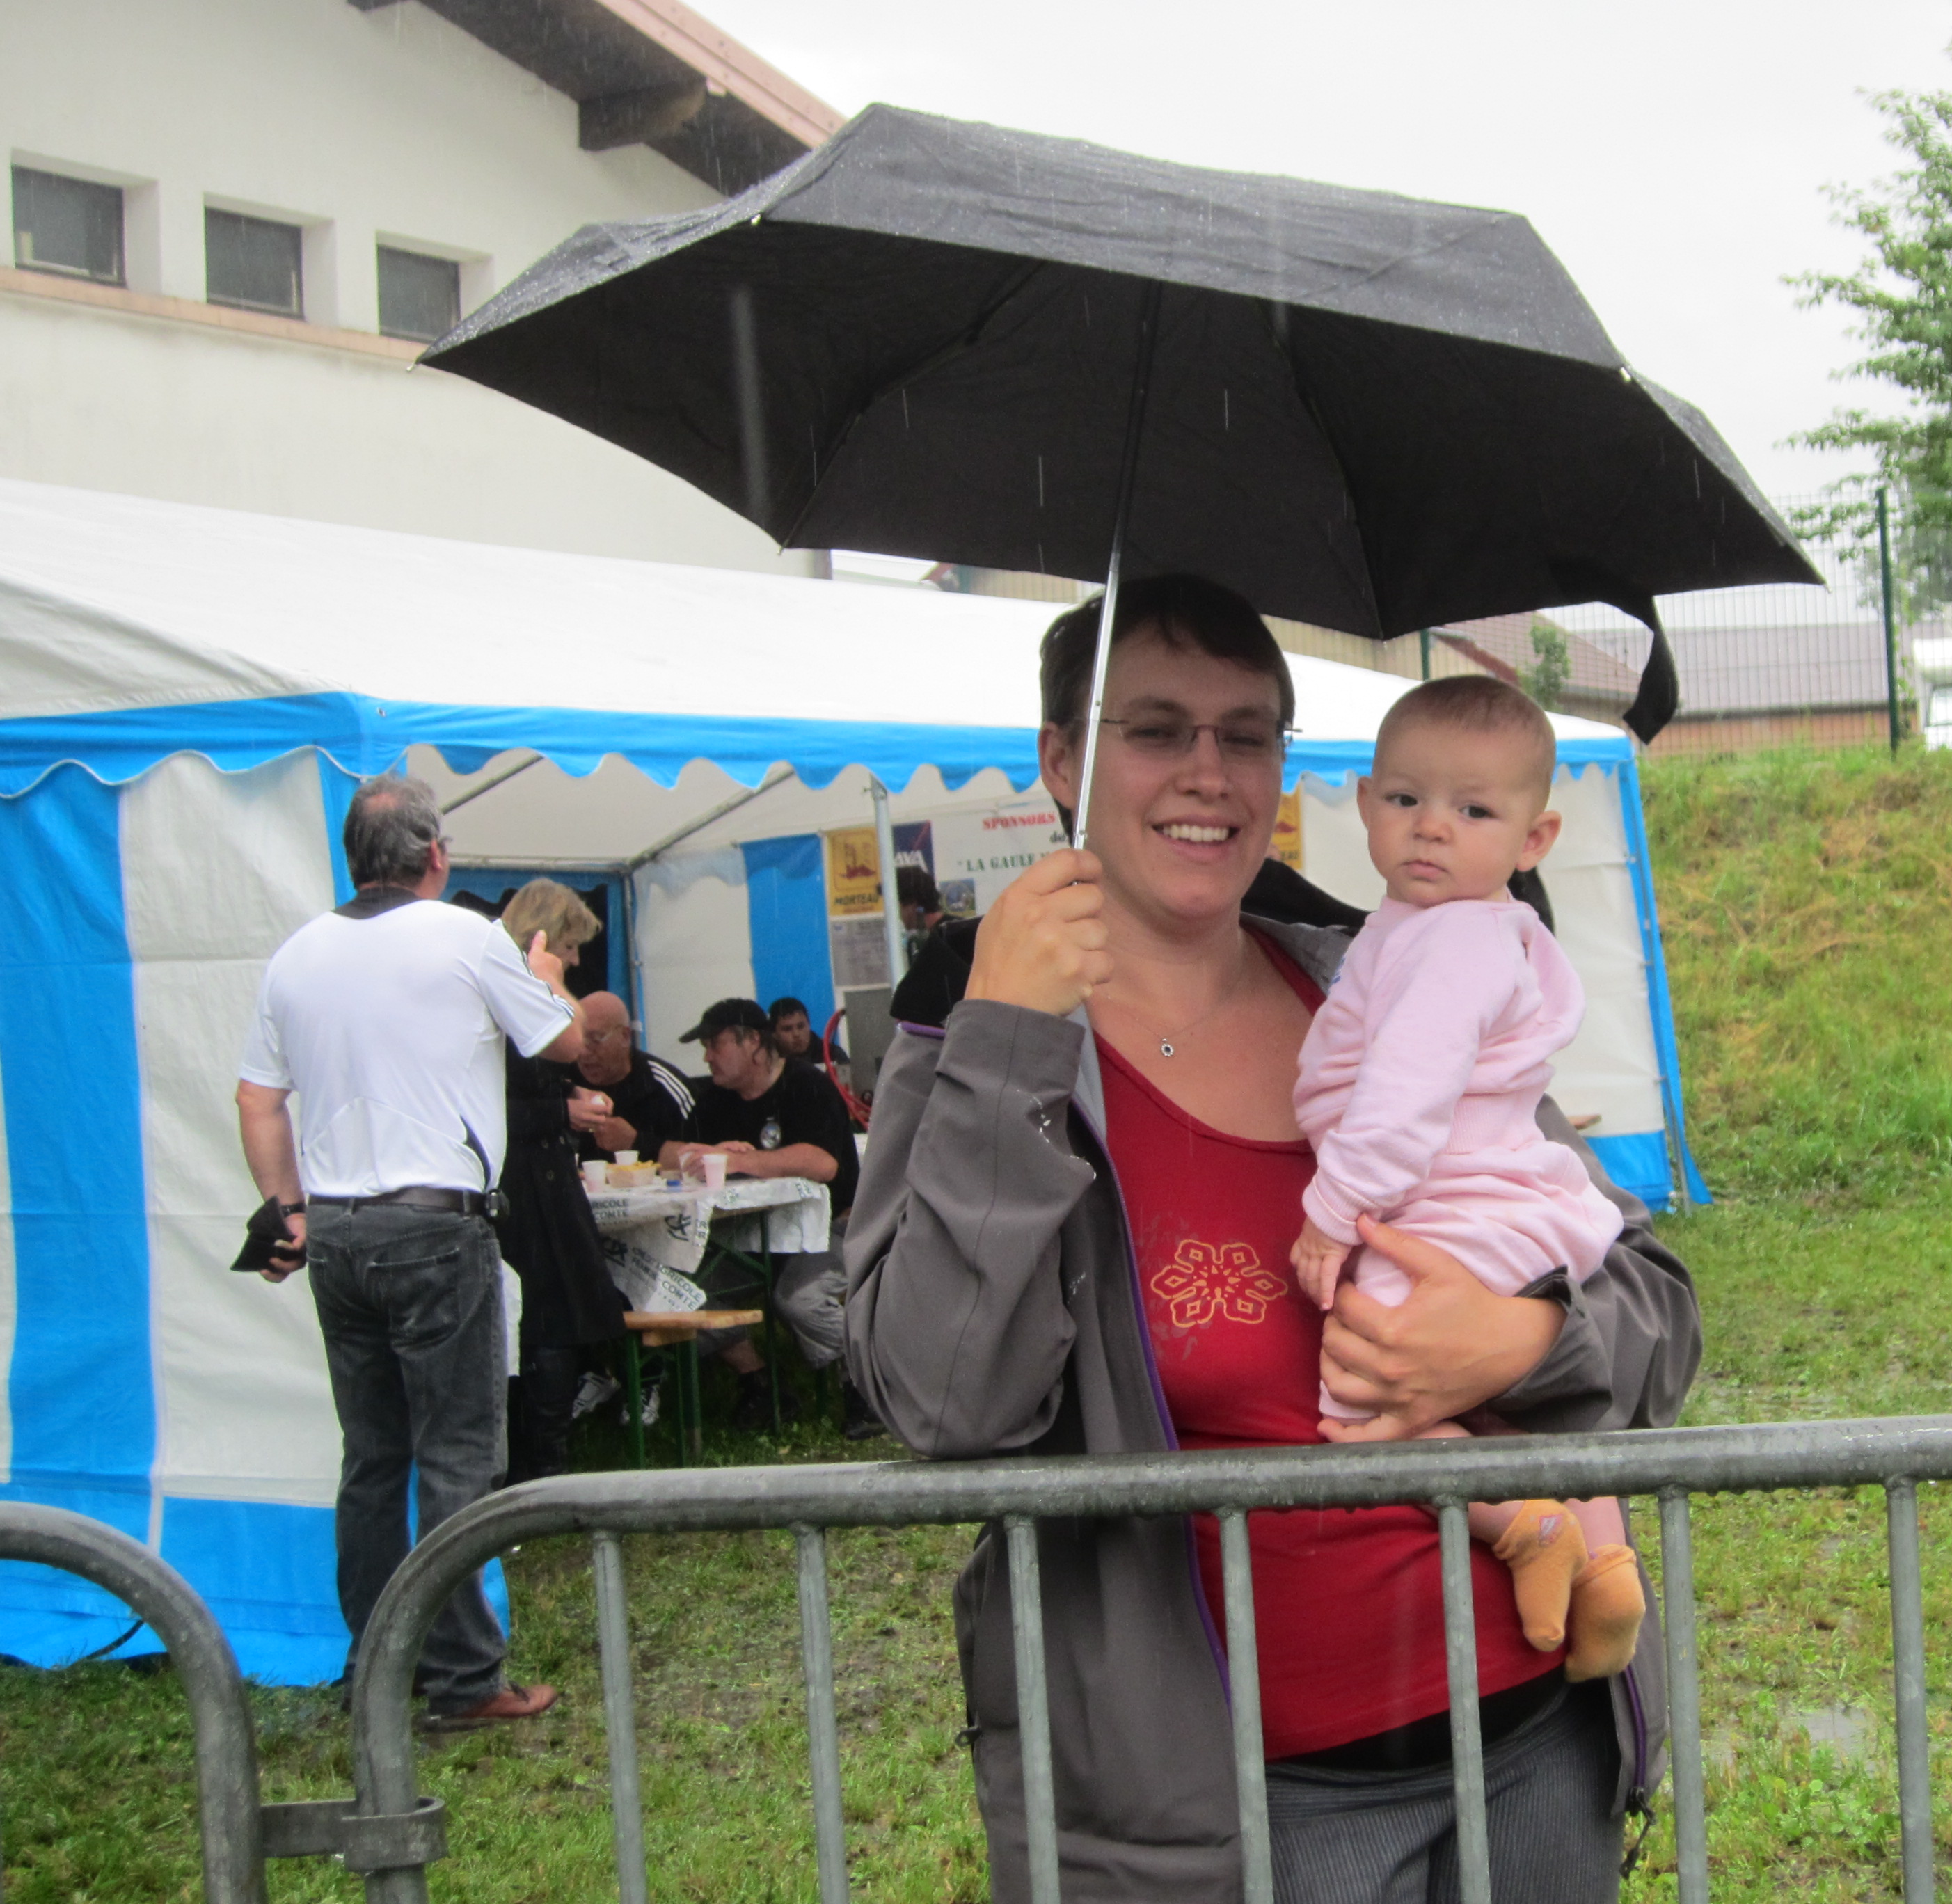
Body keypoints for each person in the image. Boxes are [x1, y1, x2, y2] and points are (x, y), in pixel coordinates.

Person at [843, 576, 1699, 1902]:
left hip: (1534, 1743)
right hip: (1241, 1809)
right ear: (1062, 761)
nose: (1208, 772)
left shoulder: (1385, 978)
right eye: (1154, 729)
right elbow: (945, 1398)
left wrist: (1522, 1340)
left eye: (1245, 734)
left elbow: (1655, 1307)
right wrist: (1006, 1034)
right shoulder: (974, 1041)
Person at [1290, 674, 1643, 1683]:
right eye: (1406, 799)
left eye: (1475, 811)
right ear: (1365, 804)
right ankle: (1607, 1562)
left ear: (1536, 839)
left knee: (1362, 1399)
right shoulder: (1472, 928)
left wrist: (1330, 1214)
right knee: (1520, 1404)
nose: (1432, 828)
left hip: (1441, 1210)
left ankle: (1522, 1521)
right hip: (1503, 1199)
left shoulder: (1448, 942)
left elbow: (1401, 1102)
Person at [235, 772, 579, 1725]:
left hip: (338, 1229)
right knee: (457, 1456)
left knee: (373, 1458)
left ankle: (377, 1667)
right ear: (435, 855)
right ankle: (466, 1680)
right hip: (435, 1223)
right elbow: (563, 1046)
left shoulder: (297, 952)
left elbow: (258, 1098)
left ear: (352, 858)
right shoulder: (467, 937)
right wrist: (547, 979)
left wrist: (287, 1211)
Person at [660, 998, 861, 1427]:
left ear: (752, 1042)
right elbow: (668, 1151)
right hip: (754, 1233)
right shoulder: (717, 1098)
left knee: (799, 1300)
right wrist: (707, 1151)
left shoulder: (806, 1085)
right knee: (683, 1293)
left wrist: (742, 1161)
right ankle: (761, 1384)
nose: (707, 1057)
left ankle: (867, 1387)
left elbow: (823, 1164)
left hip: (831, 1226)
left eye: (715, 1044)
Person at [491, 882, 628, 1485]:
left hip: (543, 1183)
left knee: (559, 1326)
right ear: (542, 937)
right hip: (521, 1191)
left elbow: (537, 1078)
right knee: (545, 1326)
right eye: (569, 947)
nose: (574, 961)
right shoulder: (510, 993)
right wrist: (561, 1112)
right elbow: (491, 1105)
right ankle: (537, 1468)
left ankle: (546, 1461)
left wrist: (569, 1095)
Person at [572, 991, 696, 1162]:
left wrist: (636, 1142)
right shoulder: (565, 1082)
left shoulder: (660, 1084)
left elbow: (705, 1156)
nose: (584, 1053)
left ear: (625, 1036)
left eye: (595, 1039)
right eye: (579, 1039)